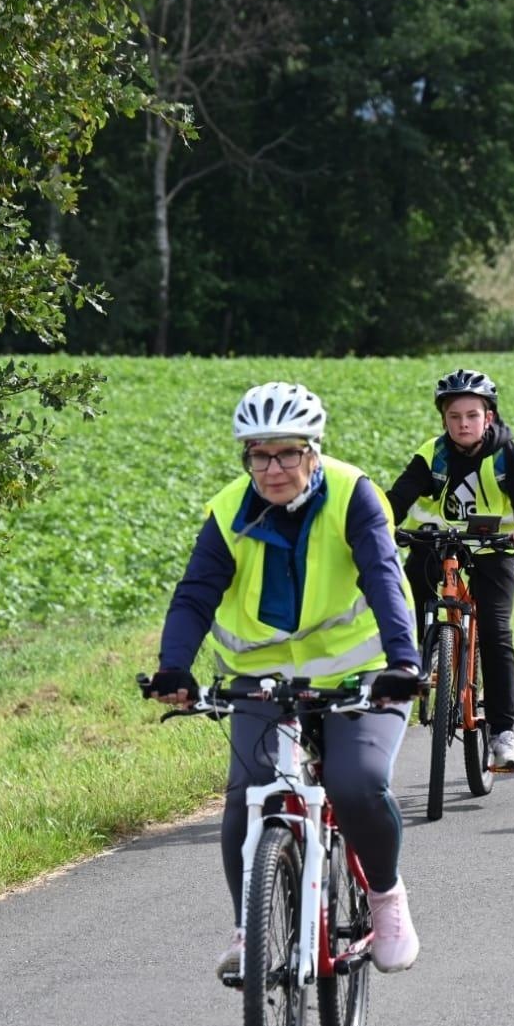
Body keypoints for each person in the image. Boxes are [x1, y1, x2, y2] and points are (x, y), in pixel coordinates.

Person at [147, 382, 423, 978]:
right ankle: (249, 929)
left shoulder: (353, 496)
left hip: (362, 672)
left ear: (313, 452)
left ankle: (385, 897)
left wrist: (403, 664)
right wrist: (174, 666)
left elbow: (382, 577)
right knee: (250, 792)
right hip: (261, 679)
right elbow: (195, 594)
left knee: (356, 782)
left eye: (287, 453)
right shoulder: (229, 512)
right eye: (259, 455)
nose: (272, 469)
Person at [387, 369, 514, 772]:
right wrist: (377, 523)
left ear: (488, 417)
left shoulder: (506, 454)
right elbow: (398, 498)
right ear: (444, 419)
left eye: (472, 415)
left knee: (495, 630)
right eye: (454, 416)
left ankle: (502, 734)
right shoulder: (433, 454)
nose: (463, 424)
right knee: (412, 587)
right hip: (436, 543)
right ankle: (425, 655)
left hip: (496, 548)